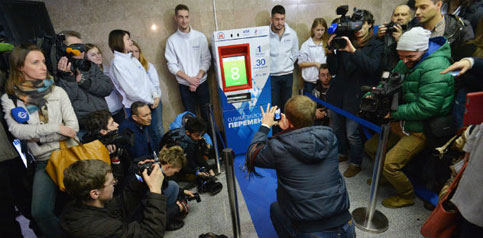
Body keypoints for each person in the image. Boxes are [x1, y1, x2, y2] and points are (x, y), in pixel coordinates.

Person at [364, 27, 454, 208]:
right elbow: (390, 80)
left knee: (390, 164)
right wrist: (375, 95)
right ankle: (386, 179)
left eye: (410, 57)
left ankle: (406, 195)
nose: (404, 61)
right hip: (403, 120)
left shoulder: (437, 67)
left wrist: (393, 112)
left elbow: (428, 106)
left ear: (423, 50)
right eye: (401, 56)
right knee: (372, 147)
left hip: (420, 128)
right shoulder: (407, 59)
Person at [246, 96, 354, 238]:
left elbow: (252, 155)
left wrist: (265, 125)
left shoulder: (278, 146)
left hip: (311, 230)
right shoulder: (330, 137)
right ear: (313, 116)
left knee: (275, 209)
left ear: (288, 120)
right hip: (346, 225)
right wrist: (291, 129)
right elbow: (304, 139)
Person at [1, 43, 79, 238]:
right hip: (43, 161)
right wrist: (56, 128)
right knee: (40, 212)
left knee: (80, 204)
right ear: (20, 66)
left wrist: (37, 134)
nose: (43, 66)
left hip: (69, 153)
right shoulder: (10, 99)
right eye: (35, 62)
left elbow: (73, 127)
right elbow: (18, 131)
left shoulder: (57, 91)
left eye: (43, 61)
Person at [326, 9, 384, 177]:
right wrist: (332, 51)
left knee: (353, 133)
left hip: (358, 95)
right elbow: (334, 69)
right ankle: (342, 153)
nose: (358, 28)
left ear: (370, 25)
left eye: (362, 24)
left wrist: (353, 51)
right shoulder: (346, 41)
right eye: (355, 24)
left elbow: (372, 68)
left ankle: (355, 162)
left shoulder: (377, 45)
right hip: (338, 93)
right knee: (337, 128)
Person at [59, 159, 166, 238]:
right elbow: (151, 234)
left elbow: (120, 206)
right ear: (95, 193)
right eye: (111, 182)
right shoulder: (102, 229)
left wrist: (140, 178)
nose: (115, 183)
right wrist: (155, 191)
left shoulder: (79, 206)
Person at [55, 31, 113, 140]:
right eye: (77, 48)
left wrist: (85, 82)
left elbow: (107, 87)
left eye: (82, 47)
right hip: (84, 129)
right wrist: (68, 78)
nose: (81, 52)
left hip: (106, 122)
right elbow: (65, 101)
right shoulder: (57, 74)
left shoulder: (89, 66)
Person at [165, 4, 212, 122]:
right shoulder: (172, 41)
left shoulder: (200, 36)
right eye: (181, 17)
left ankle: (209, 139)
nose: (184, 20)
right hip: (184, 85)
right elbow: (171, 65)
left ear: (189, 17)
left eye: (186, 17)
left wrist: (197, 78)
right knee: (190, 117)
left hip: (202, 83)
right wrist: (189, 79)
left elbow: (206, 59)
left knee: (207, 114)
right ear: (176, 18)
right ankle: (196, 140)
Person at [108, 29, 160, 115]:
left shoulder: (132, 58)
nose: (131, 42)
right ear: (119, 41)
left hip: (149, 102)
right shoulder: (118, 63)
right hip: (136, 107)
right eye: (127, 39)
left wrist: (155, 95)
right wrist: (150, 100)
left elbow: (146, 80)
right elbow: (131, 91)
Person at [161, 116, 215, 182]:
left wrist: (209, 169)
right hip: (172, 163)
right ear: (187, 132)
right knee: (194, 177)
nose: (200, 138)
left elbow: (198, 155)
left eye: (201, 135)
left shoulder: (193, 137)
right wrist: (196, 172)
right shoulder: (178, 141)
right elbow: (177, 163)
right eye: (198, 135)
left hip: (183, 156)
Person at [132, 40, 164, 153]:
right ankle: (152, 157)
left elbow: (155, 85)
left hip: (154, 101)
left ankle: (163, 154)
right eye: (131, 52)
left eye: (136, 51)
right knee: (144, 133)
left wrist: (156, 98)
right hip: (139, 105)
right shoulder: (126, 69)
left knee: (157, 130)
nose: (134, 54)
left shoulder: (148, 66)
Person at [85, 43, 125, 125]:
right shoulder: (86, 77)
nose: (97, 56)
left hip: (118, 110)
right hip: (104, 116)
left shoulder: (108, 69)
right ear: (85, 58)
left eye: (98, 53)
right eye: (93, 55)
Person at [269, 5, 299, 114]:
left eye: (282, 19)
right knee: (274, 107)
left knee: (287, 105)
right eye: (277, 19)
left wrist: (289, 63)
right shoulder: (265, 34)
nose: (279, 22)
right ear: (271, 19)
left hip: (287, 75)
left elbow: (295, 53)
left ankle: (286, 128)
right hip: (272, 76)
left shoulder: (292, 34)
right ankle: (277, 130)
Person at [377, 4, 414, 71]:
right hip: (382, 71)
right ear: (392, 17)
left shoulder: (414, 33)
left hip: (401, 71)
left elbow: (413, 57)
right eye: (396, 15)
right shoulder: (386, 30)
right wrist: (378, 37)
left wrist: (400, 41)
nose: (399, 18)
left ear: (410, 17)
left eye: (403, 15)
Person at [298, 18, 328, 94]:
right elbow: (301, 63)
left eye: (322, 30)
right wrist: (315, 63)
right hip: (310, 82)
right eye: (318, 30)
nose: (320, 32)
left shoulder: (327, 44)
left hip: (324, 82)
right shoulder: (306, 45)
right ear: (313, 29)